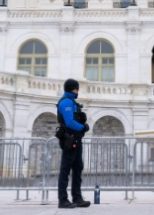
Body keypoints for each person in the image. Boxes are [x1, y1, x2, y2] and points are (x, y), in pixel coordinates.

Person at [57, 78, 90, 208]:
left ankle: (77, 198)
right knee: (65, 169)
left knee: (77, 168)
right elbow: (70, 122)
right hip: (69, 139)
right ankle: (63, 200)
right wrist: (83, 127)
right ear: (73, 88)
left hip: (75, 138)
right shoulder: (66, 102)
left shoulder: (71, 102)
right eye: (77, 88)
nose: (78, 91)